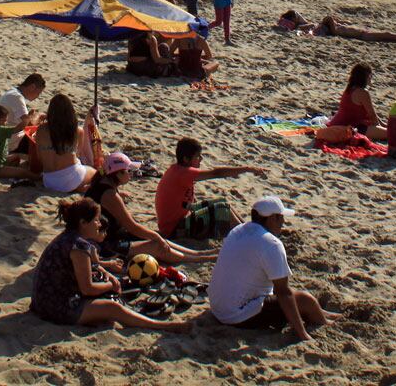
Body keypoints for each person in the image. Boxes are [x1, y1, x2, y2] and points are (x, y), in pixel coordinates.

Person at [29, 197, 193, 332]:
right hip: (55, 307)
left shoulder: (71, 237)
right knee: (113, 308)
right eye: (96, 221)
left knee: (108, 287)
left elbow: (90, 266)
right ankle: (162, 326)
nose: (100, 224)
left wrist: (106, 272)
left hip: (43, 300)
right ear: (83, 223)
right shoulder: (79, 246)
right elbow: (87, 288)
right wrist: (110, 284)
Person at [208, 196, 338, 340]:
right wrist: (302, 334)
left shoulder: (238, 230)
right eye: (280, 217)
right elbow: (283, 292)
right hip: (236, 316)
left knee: (299, 297)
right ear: (271, 218)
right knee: (306, 300)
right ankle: (326, 323)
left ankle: (326, 314)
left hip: (217, 307)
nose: (283, 222)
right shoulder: (272, 244)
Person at [85, 153, 217, 264]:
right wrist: (156, 237)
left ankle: (199, 253)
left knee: (156, 238)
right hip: (105, 245)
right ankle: (198, 259)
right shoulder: (109, 195)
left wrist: (155, 236)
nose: (132, 174)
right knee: (157, 245)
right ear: (118, 174)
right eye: (128, 171)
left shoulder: (101, 185)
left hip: (113, 236)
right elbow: (131, 226)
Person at [154, 136, 267, 239]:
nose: (201, 159)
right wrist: (247, 169)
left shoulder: (178, 169)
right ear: (186, 159)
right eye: (197, 157)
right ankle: (250, 238)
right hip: (174, 230)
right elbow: (216, 173)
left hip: (177, 222)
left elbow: (185, 202)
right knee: (222, 209)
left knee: (222, 203)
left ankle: (250, 230)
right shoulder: (184, 173)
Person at [37, 94, 95, 194]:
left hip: (49, 180)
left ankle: (77, 187)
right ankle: (78, 187)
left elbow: (39, 157)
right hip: (72, 177)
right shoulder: (77, 131)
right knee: (96, 174)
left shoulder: (41, 129)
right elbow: (78, 155)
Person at [318, 62, 388, 143]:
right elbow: (372, 115)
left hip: (337, 124)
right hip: (349, 128)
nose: (371, 78)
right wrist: (378, 127)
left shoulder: (350, 88)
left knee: (386, 129)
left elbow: (371, 113)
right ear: (366, 77)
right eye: (370, 75)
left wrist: (383, 124)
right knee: (391, 134)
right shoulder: (363, 92)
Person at [276, 9, 396, 44]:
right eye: (297, 16)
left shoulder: (305, 25)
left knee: (384, 35)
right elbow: (311, 29)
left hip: (351, 31)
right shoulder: (307, 27)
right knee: (384, 35)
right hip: (357, 34)